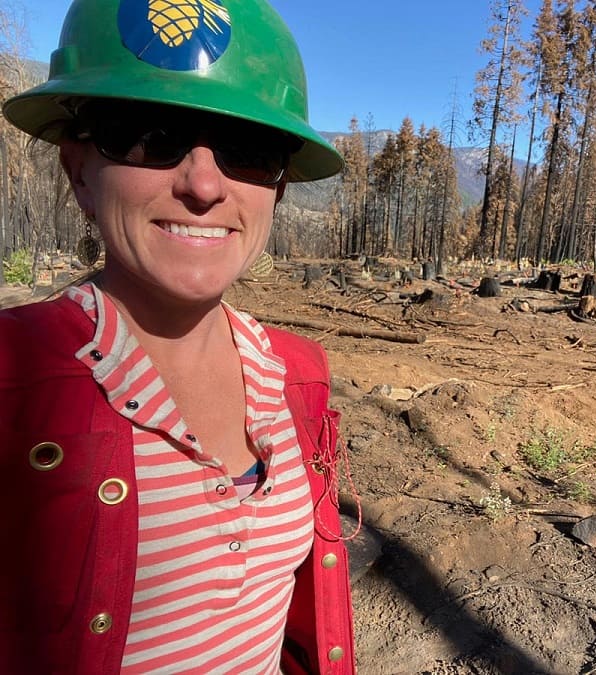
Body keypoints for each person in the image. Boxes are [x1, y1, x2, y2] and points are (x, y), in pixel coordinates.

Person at [0, 0, 355, 673]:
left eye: (248, 148)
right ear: (79, 169)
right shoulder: (13, 382)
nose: (202, 183)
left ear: (278, 188)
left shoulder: (297, 378)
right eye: (151, 133)